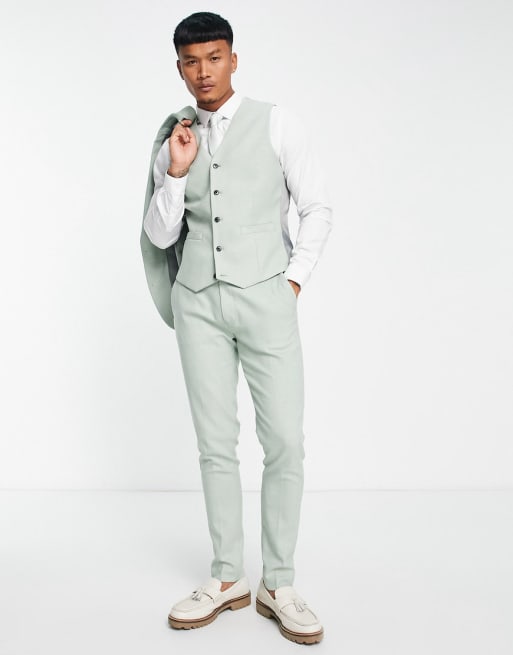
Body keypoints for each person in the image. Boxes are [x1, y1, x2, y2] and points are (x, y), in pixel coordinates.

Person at [141, 11, 332, 645]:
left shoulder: (277, 122)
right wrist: (176, 171)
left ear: (233, 59)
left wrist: (292, 282)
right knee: (215, 445)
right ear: (179, 68)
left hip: (266, 299)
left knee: (285, 442)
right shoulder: (174, 136)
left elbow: (316, 208)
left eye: (214, 58)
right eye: (192, 61)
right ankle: (228, 576)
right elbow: (159, 236)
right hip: (197, 302)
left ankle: (279, 583)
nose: (204, 72)